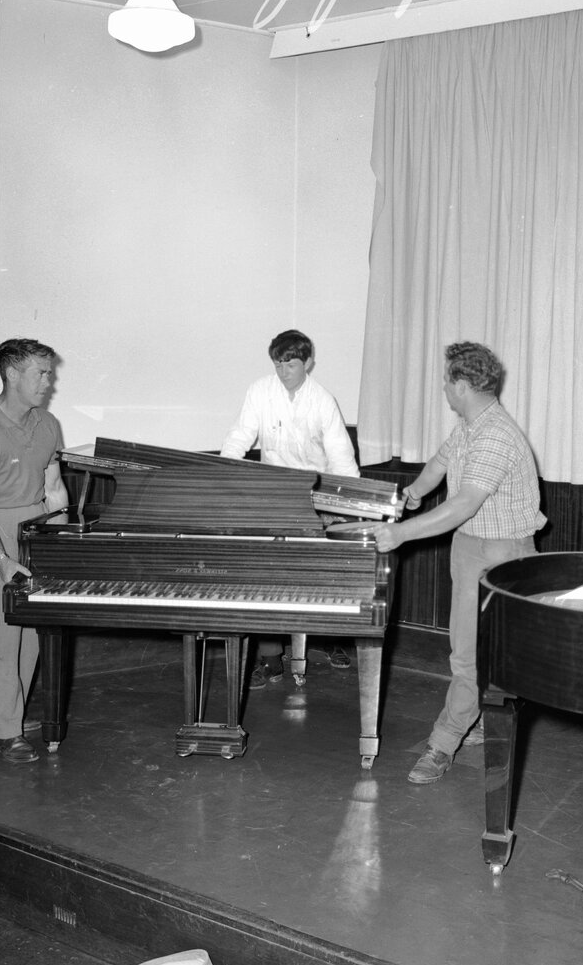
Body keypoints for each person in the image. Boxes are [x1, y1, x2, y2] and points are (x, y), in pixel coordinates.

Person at [373, 341, 544, 784]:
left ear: (463, 385)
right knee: (470, 655)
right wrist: (413, 492)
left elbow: (465, 503)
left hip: (504, 556)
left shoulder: (496, 435)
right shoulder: (470, 424)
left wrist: (401, 533)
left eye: (448, 381)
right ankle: (477, 720)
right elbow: (441, 462)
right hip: (470, 549)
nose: (444, 389)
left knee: (470, 659)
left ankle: (442, 743)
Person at [220, 328, 359, 686]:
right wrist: (222, 475)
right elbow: (240, 435)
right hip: (273, 494)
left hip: (316, 495)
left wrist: (351, 506)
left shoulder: (324, 400)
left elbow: (342, 458)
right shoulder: (260, 391)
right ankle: (270, 659)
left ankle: (328, 640)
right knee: (269, 576)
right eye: (278, 364)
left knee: (318, 575)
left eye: (291, 364)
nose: (284, 373)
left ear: (308, 362)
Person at [0, 338, 69, 764]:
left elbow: (55, 490)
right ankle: (6, 730)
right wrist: (1, 560)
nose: (49, 379)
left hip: (34, 524)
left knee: (33, 632)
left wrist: (61, 547)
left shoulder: (48, 424)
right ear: (13, 374)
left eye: (49, 371)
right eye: (41, 372)